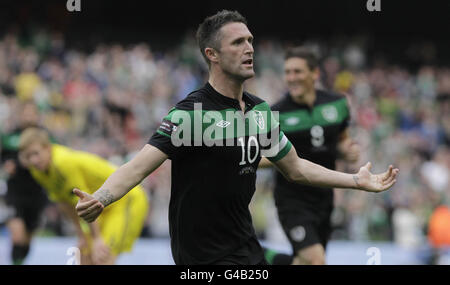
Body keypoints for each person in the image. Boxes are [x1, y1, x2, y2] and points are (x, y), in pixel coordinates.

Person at [74, 10, 399, 265]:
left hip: (244, 245)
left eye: (250, 40)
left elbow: (296, 168)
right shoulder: (190, 113)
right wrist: (101, 198)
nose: (249, 49)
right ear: (212, 54)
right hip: (202, 256)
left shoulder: (261, 112)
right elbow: (138, 166)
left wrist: (356, 180)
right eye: (238, 42)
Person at [260, 47, 361, 265]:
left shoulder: (337, 104)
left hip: (324, 197)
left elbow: (341, 138)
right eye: (288, 72)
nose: (291, 78)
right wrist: (285, 161)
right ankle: (259, 258)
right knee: (316, 260)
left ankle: (263, 259)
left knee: (307, 262)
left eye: (297, 71)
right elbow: (263, 157)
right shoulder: (276, 113)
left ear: (315, 73)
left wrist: (347, 150)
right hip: (292, 198)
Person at [18, 128, 149, 265]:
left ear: (48, 148)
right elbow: (65, 203)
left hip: (125, 198)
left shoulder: (63, 163)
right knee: (84, 257)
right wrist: (82, 234)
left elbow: (85, 202)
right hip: (100, 208)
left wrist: (97, 239)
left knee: (102, 257)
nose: (33, 160)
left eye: (36, 153)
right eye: (28, 156)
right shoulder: (37, 171)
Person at [0, 102, 49, 265]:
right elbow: (3, 158)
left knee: (27, 241)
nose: (28, 116)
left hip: (37, 195)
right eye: (25, 113)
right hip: (15, 194)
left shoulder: (45, 137)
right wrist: (7, 165)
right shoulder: (9, 136)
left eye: (32, 113)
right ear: (20, 115)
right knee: (17, 236)